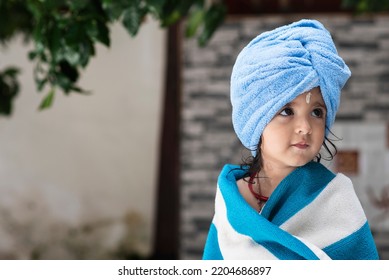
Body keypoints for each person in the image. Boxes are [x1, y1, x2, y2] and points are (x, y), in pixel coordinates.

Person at [202, 19, 379, 260]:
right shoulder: (230, 199)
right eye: (287, 111)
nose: (305, 127)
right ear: (256, 118)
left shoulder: (335, 201)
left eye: (317, 112)